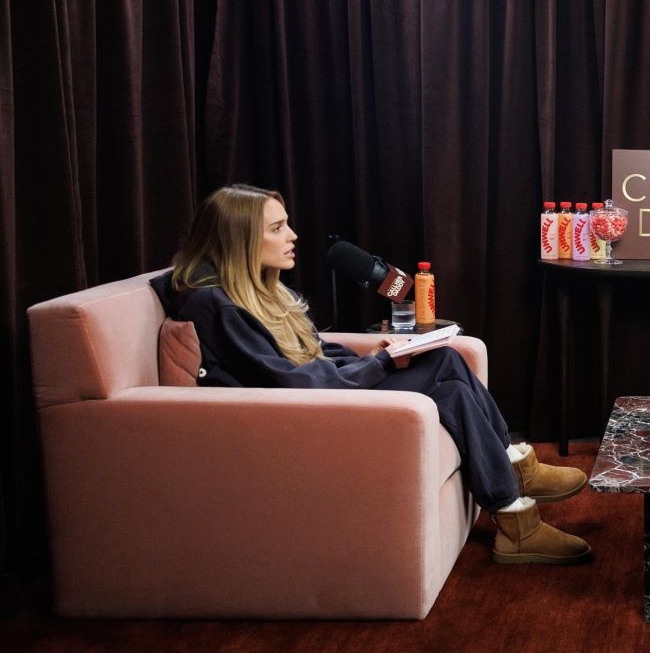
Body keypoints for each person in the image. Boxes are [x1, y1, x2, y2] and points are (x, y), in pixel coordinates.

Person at [150, 184, 592, 565]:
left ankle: (514, 506)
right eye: (277, 228)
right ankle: (515, 490)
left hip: (321, 394)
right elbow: (292, 382)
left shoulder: (258, 289)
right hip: (302, 413)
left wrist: (376, 355)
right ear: (240, 239)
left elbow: (313, 352)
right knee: (445, 367)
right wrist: (378, 364)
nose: (293, 235)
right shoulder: (216, 305)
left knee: (451, 379)